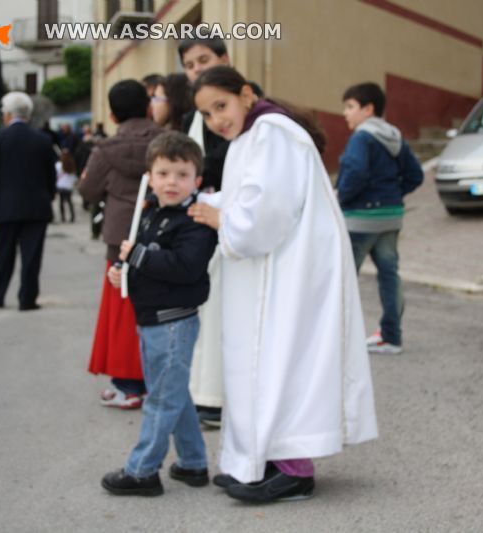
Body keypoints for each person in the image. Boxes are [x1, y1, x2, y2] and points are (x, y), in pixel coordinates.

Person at [188, 66, 378, 503]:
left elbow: (267, 210)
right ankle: (263, 460)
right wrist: (212, 205)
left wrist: (223, 217)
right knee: (266, 360)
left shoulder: (271, 131)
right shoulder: (250, 137)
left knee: (284, 359)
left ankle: (294, 470)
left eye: (222, 105)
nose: (217, 119)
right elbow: (248, 199)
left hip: (292, 269)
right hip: (276, 265)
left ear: (247, 94)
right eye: (207, 113)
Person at [101, 131, 217, 497]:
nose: (172, 182)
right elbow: (140, 258)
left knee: (162, 399)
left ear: (196, 181)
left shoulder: (196, 221)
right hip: (151, 319)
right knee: (173, 393)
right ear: (150, 177)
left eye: (182, 175)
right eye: (164, 173)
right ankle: (193, 463)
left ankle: (142, 471)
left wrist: (138, 257)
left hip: (174, 321)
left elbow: (185, 266)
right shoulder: (152, 213)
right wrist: (123, 270)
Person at [78, 80, 162, 408]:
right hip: (159, 231)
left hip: (119, 237)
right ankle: (156, 381)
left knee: (122, 309)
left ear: (112, 115)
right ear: (148, 107)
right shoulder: (165, 141)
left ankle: (128, 386)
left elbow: (87, 193)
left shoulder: (105, 149)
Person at [338, 82, 423, 355]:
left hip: (360, 220)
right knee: (389, 276)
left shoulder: (362, 137)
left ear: (368, 108)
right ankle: (392, 336)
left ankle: (340, 340)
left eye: (350, 107)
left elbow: (355, 172)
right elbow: (416, 175)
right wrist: (392, 196)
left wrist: (340, 200)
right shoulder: (394, 136)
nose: (345, 113)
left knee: (344, 278)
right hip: (391, 217)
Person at [177, 37, 232, 429]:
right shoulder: (191, 117)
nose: (196, 68)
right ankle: (204, 393)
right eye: (189, 64)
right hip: (200, 225)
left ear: (224, 60)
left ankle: (216, 399)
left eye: (204, 60)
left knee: (223, 314)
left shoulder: (246, 110)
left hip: (234, 225)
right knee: (205, 311)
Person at [0, 92, 57, 311]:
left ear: (6, 115)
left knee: (3, 255)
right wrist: (49, 195)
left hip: (5, 207)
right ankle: (27, 299)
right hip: (36, 207)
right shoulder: (43, 140)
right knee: (31, 256)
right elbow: (50, 174)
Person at [55, 151, 77, 223]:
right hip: (69, 186)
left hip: (61, 185)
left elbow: (55, 175)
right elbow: (74, 176)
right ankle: (72, 216)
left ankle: (63, 217)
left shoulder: (58, 165)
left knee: (61, 202)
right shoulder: (72, 164)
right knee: (69, 201)